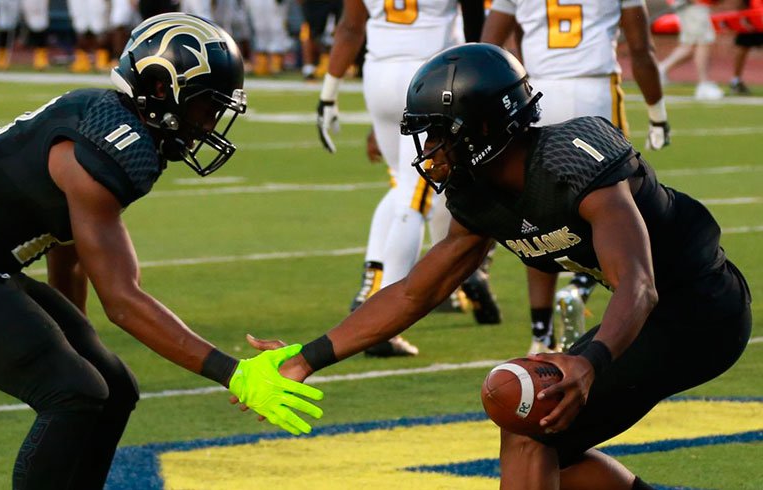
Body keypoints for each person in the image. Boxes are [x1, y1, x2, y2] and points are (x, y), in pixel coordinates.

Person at [261, 43, 751, 489]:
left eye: (439, 131)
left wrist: (591, 361)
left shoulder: (573, 160)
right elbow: (415, 292)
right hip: (647, 318)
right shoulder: (476, 195)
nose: (429, 147)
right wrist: (307, 359)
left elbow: (640, 285)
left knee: (532, 424)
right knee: (540, 435)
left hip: (703, 310)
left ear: (486, 128)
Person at [0, 14, 323, 489]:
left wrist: (75, 333)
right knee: (75, 392)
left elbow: (68, 245)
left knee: (113, 388)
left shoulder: (110, 128)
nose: (211, 123)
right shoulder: (108, 146)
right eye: (207, 106)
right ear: (162, 89)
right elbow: (123, 301)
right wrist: (236, 373)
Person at [481, 0, 671, 354]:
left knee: (534, 213)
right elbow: (641, 48)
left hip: (537, 93)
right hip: (594, 90)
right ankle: (582, 286)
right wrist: (657, 114)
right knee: (615, 208)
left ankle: (540, 333)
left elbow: (490, 46)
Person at [317, 0, 501, 357]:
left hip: (378, 74)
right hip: (429, 73)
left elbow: (351, 27)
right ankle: (383, 322)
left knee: (404, 186)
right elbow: (478, 22)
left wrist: (328, 93)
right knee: (416, 196)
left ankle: (372, 288)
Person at [659, 0, 724, 100]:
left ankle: (660, 70)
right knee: (702, 42)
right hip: (693, 5)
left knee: (690, 46)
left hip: (693, 5)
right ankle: (703, 85)